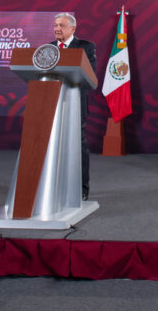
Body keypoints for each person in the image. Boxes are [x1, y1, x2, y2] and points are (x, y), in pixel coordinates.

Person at [51, 12, 97, 201]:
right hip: (50, 102)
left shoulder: (85, 47)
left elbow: (89, 75)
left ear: (72, 28)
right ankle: (52, 188)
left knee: (77, 144)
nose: (57, 29)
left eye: (61, 25)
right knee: (52, 144)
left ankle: (81, 189)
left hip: (75, 101)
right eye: (55, 25)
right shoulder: (47, 49)